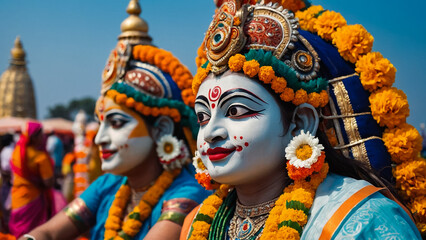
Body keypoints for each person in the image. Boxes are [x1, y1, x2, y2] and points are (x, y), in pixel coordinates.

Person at [180, 0, 424, 239]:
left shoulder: (361, 218)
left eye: (235, 111)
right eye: (202, 116)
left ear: (300, 123)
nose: (211, 132)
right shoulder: (197, 223)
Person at [19, 0, 209, 239]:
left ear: (161, 128)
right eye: (101, 123)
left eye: (117, 123)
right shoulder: (108, 185)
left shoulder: (186, 193)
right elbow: (47, 233)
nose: (100, 138)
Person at [9, 121, 67, 238]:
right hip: (34, 199)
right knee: (33, 232)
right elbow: (48, 182)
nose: (43, 137)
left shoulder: (16, 153)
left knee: (19, 231)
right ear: (34, 137)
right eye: (41, 134)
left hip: (17, 198)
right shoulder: (40, 157)